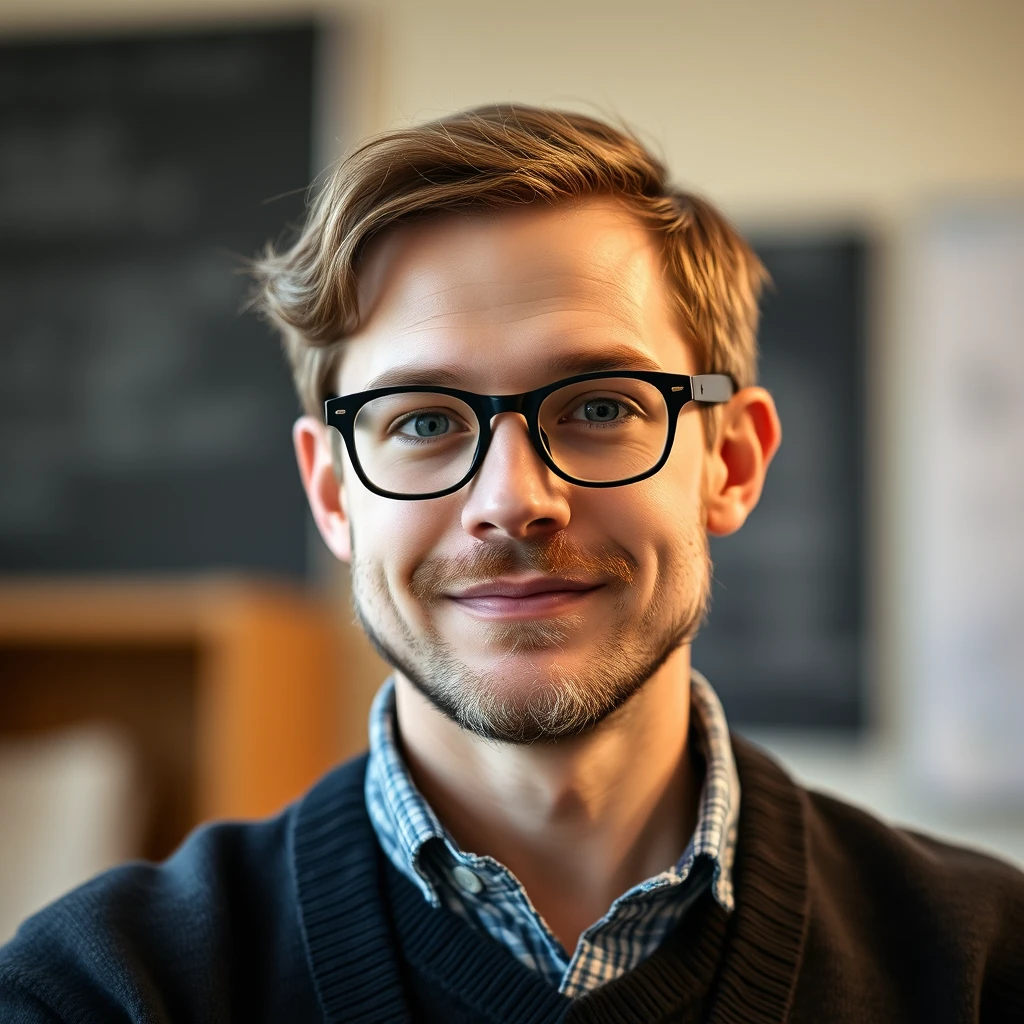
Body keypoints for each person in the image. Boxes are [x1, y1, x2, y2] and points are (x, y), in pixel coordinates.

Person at [1, 104, 1022, 1024]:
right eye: (426, 421)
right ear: (330, 492)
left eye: (600, 406)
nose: (512, 501)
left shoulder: (983, 964)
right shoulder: (104, 993)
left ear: (732, 461)